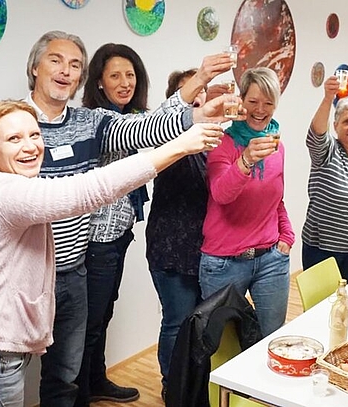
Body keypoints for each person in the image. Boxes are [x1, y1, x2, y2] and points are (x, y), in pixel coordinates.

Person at [0, 31, 233, 406]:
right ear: (34, 67)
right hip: (10, 291)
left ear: (81, 77)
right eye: (56, 60)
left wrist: (194, 116)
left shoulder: (91, 122)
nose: (65, 71)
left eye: (75, 64)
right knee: (3, 375)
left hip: (72, 273)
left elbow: (143, 128)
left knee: (66, 377)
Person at [146, 57, 231, 399]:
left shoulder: (214, 141)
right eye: (192, 101)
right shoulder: (167, 139)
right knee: (178, 322)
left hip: (209, 250)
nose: (199, 107)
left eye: (203, 100)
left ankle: (195, 386)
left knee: (202, 323)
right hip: (172, 249)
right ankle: (173, 387)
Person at [73, 43, 150, 404]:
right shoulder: (99, 121)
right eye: (115, 75)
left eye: (130, 75)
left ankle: (96, 380)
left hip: (118, 234)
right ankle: (80, 394)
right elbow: (142, 129)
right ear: (99, 82)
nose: (124, 82)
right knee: (89, 323)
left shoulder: (126, 113)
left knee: (104, 313)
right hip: (97, 238)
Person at [199, 67, 295, 338]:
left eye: (268, 103)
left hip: (271, 260)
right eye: (253, 101)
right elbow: (221, 194)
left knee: (271, 339)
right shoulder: (223, 143)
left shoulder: (277, 145)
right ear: (241, 100)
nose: (260, 110)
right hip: (223, 263)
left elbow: (277, 199)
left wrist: (286, 238)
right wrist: (246, 160)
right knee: (221, 344)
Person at [301, 75, 348, 282]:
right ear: (336, 126)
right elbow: (316, 134)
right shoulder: (328, 152)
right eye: (346, 121)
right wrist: (328, 98)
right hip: (323, 250)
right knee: (324, 309)